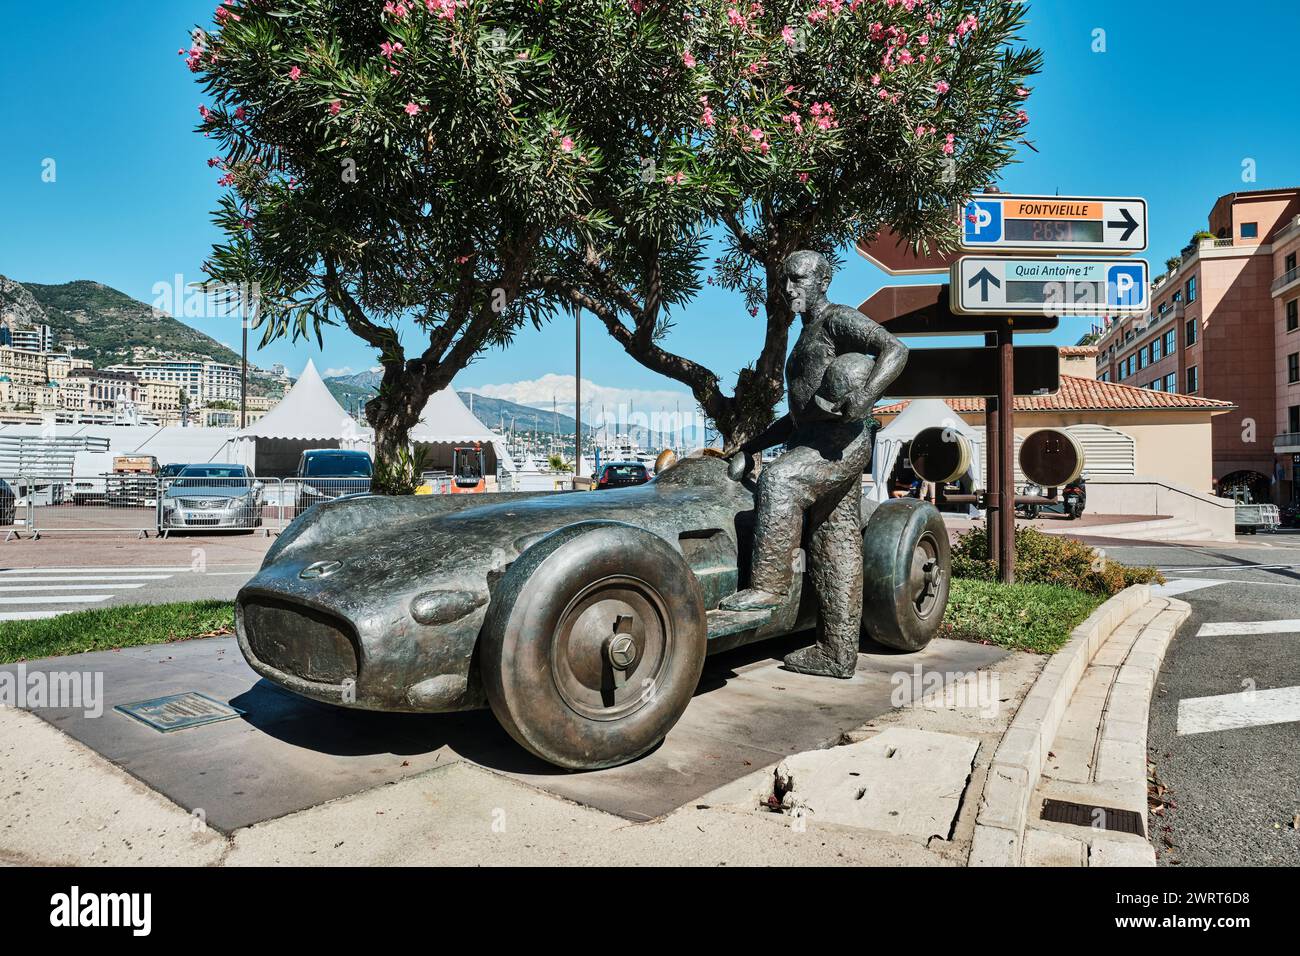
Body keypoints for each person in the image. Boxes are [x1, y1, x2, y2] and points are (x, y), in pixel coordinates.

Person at [719, 250, 908, 678]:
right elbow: (798, 417)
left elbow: (895, 349)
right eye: (786, 281)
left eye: (799, 281)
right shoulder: (805, 337)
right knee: (835, 540)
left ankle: (767, 587)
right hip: (819, 439)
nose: (790, 290)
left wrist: (866, 395)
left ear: (822, 282)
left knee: (780, 479)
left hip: (840, 442)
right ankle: (837, 654)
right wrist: (752, 445)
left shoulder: (837, 319)